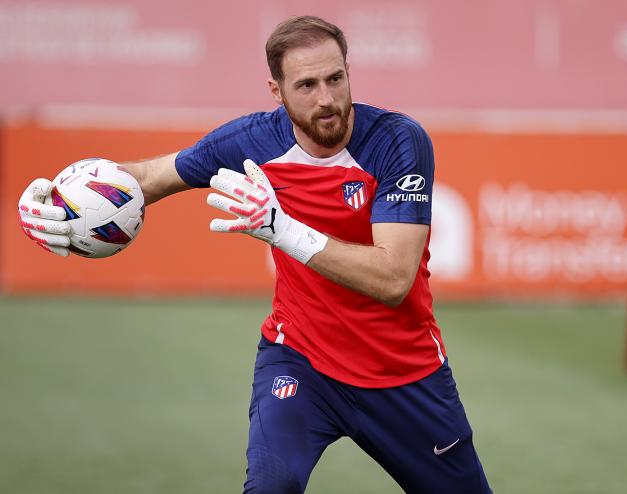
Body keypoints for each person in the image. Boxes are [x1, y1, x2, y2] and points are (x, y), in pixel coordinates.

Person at [18, 15, 492, 494]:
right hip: (302, 363)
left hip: (404, 375)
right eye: (306, 85)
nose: (326, 99)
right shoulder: (250, 141)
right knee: (272, 485)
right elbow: (144, 179)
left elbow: (393, 278)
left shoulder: (397, 142)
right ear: (277, 91)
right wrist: (58, 202)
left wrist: (282, 230)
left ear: (349, 71)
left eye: (336, 78)